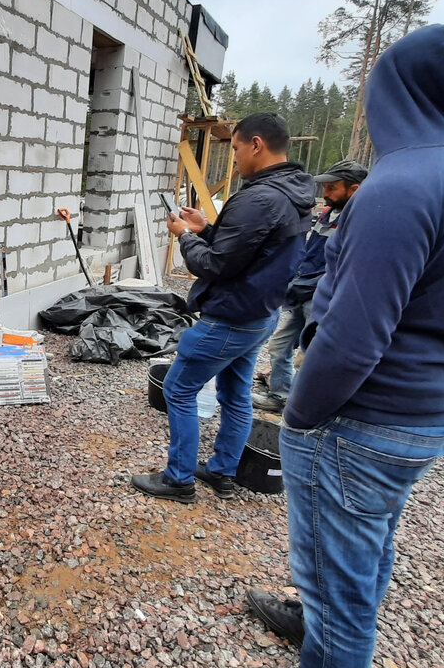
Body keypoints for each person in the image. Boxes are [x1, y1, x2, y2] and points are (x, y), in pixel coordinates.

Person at [207, 25, 444, 668]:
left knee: (341, 581)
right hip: (430, 412)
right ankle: (315, 619)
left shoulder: (399, 187)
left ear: (396, 94)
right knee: (370, 539)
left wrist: (302, 416)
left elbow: (352, 336)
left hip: (362, 417)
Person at [131, 113, 315, 503]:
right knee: (235, 396)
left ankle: (178, 480)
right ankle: (221, 472)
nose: (234, 159)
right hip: (260, 315)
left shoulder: (259, 197)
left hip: (230, 317)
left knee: (179, 390)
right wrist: (207, 230)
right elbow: (252, 253)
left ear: (256, 145)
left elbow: (213, 264)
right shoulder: (293, 194)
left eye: (234, 148)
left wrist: (183, 236)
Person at [252, 159, 367, 413]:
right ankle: (282, 396)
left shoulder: (361, 221)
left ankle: (307, 409)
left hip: (323, 297)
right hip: (302, 291)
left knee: (312, 356)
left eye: (332, 188)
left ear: (355, 189)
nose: (325, 193)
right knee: (280, 345)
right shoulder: (328, 214)